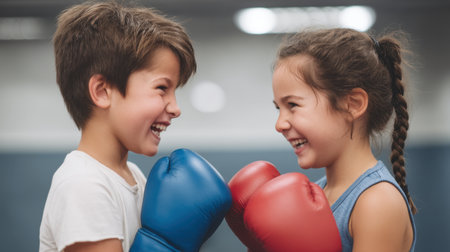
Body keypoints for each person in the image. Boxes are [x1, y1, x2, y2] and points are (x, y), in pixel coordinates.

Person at [39, 2, 231, 252]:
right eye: (162, 88)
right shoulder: (83, 185)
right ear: (102, 92)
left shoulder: (133, 177)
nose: (175, 108)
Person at [271, 28, 416, 251]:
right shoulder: (315, 194)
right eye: (278, 108)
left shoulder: (376, 202)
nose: (280, 124)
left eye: (293, 105)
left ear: (354, 104)